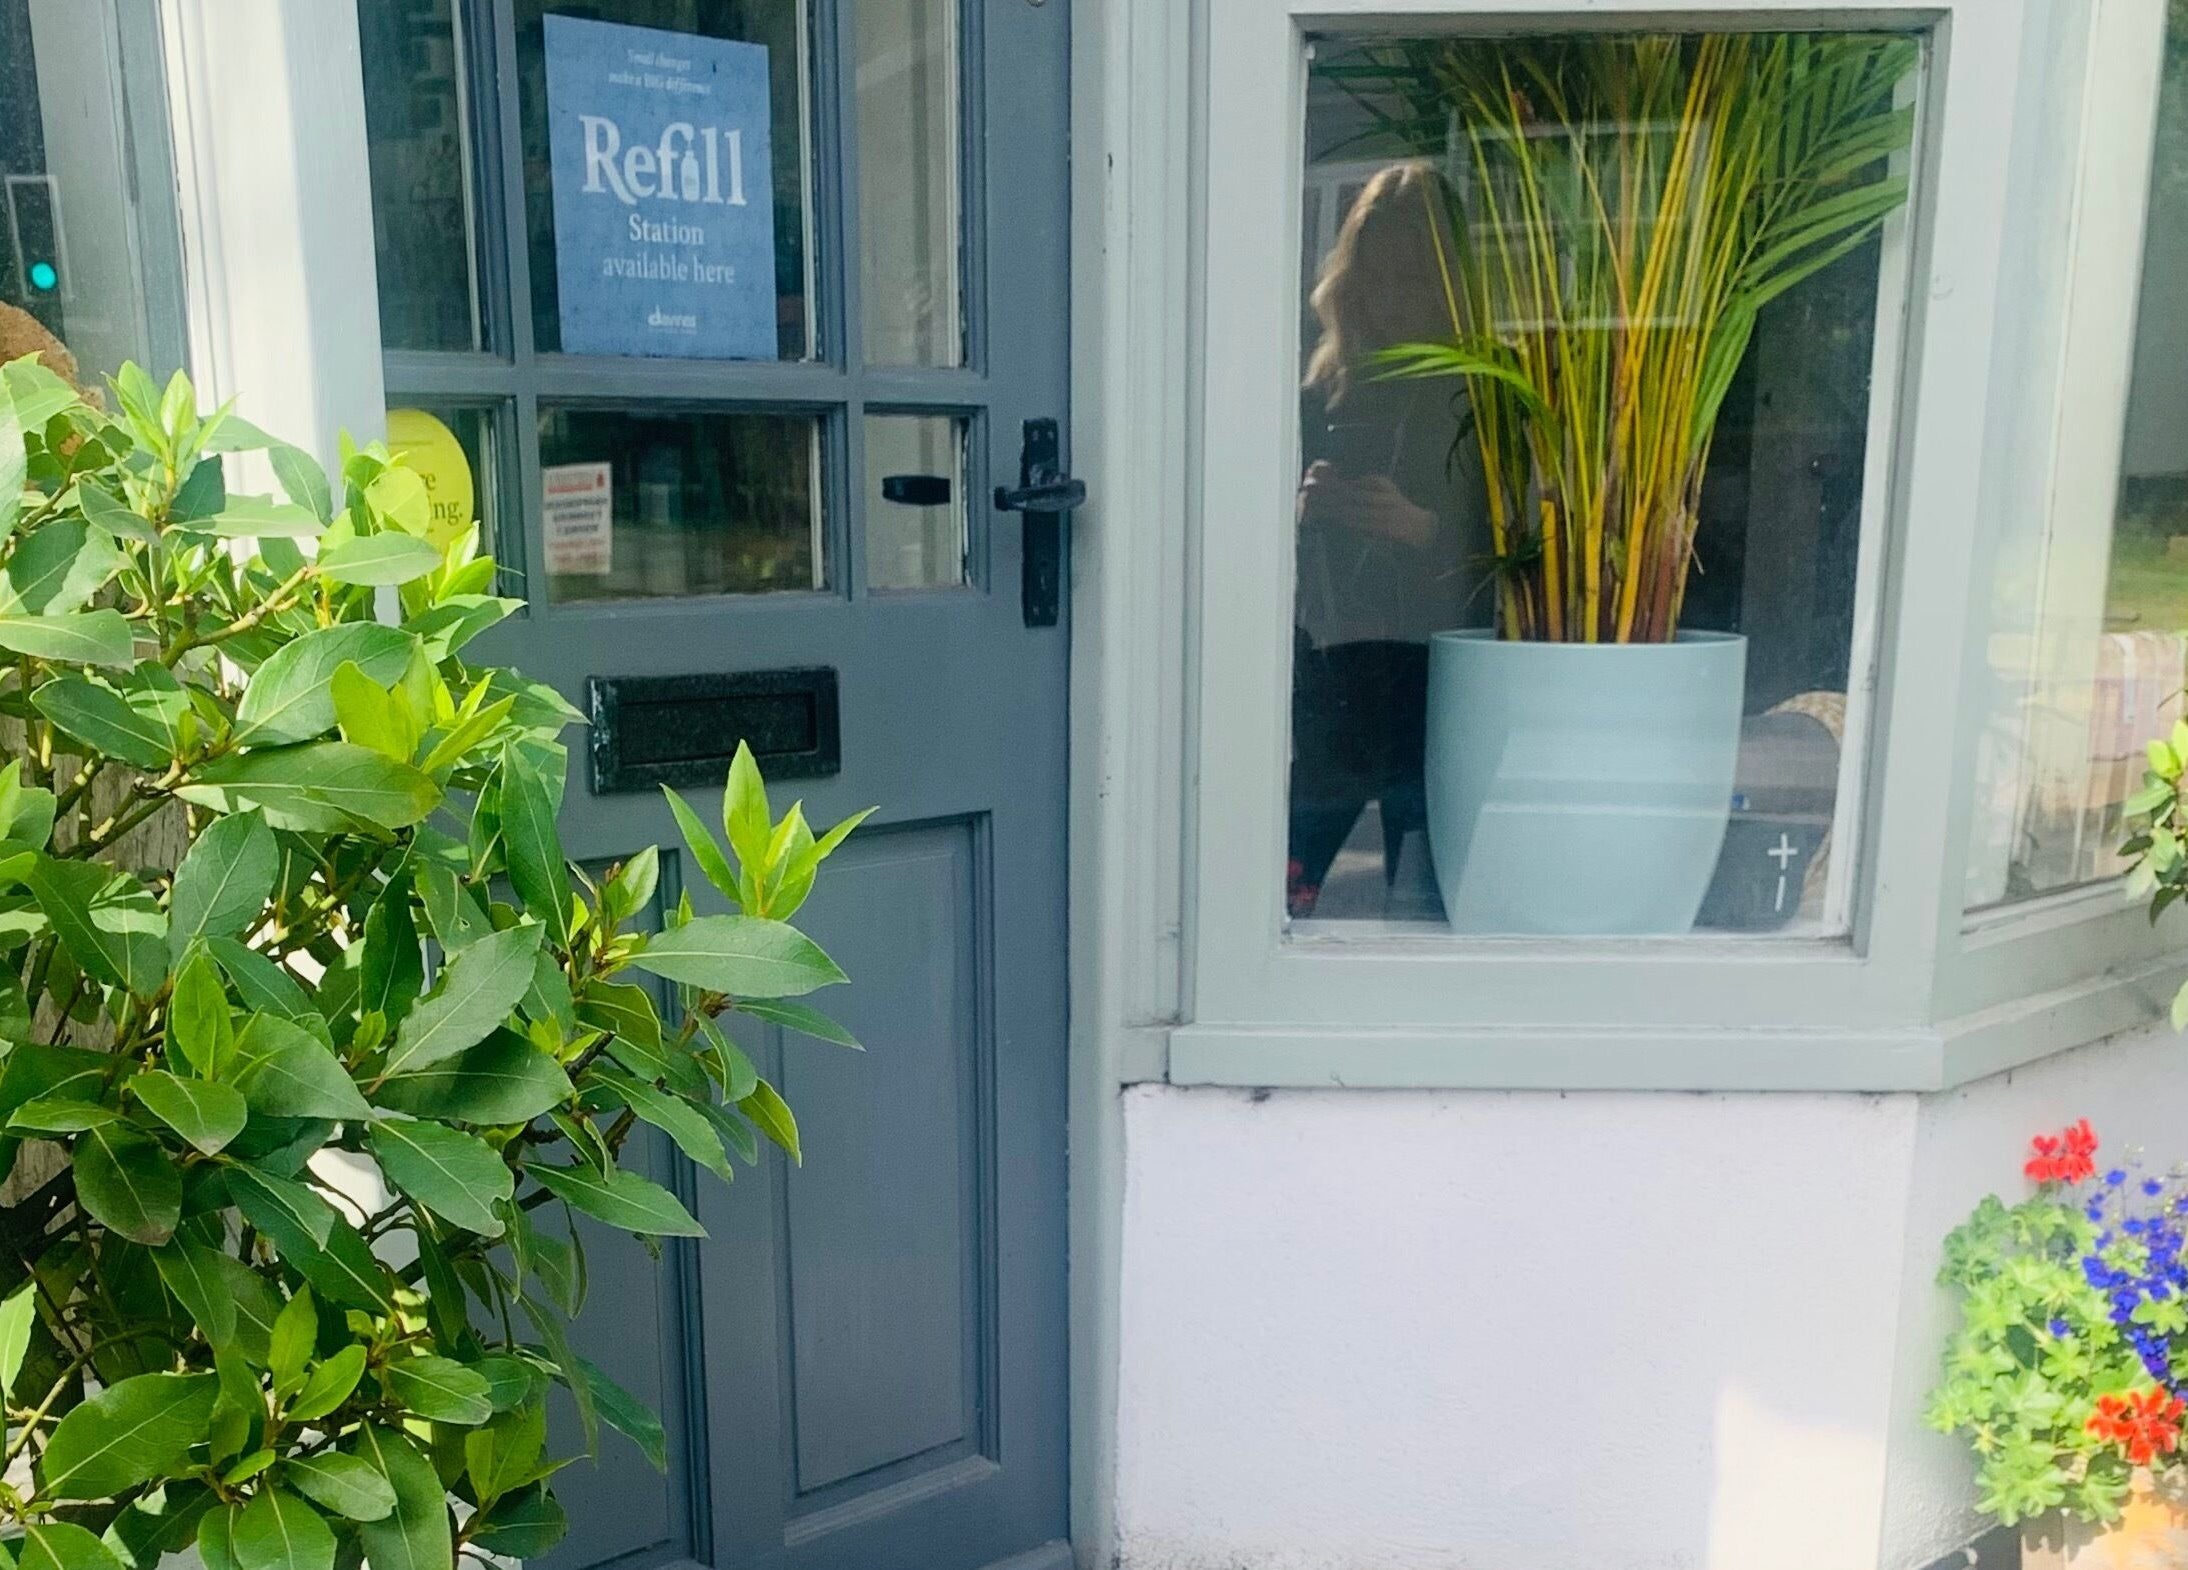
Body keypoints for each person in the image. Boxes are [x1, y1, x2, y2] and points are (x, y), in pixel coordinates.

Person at [1289, 160, 1485, 917]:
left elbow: (1535, 566)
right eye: (1375, 278)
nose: (1393, 299)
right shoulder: (1324, 386)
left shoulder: (1484, 390)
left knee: (1424, 909)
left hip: (1435, 676)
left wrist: (1422, 528)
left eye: (1414, 278)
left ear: (1449, 281)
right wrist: (1302, 513)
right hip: (1331, 667)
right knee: (1280, 894)